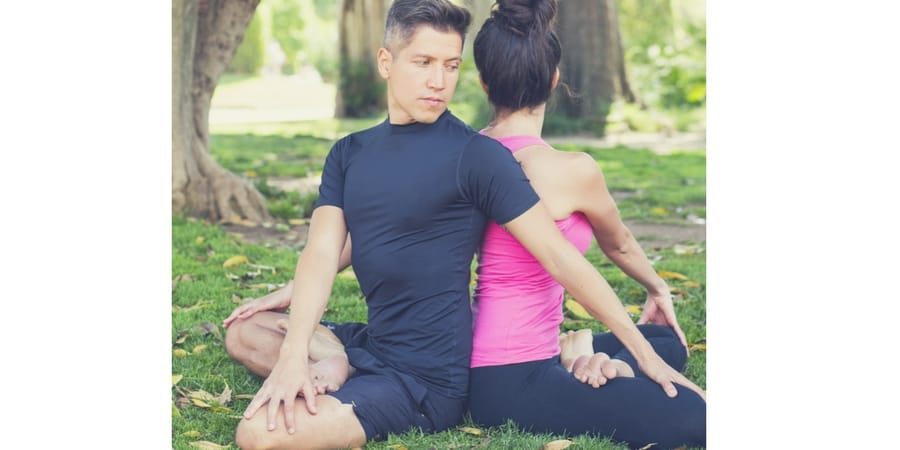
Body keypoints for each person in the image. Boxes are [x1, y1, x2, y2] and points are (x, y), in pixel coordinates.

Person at [223, 1, 704, 449]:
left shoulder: (478, 156)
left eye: (451, 66)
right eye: (423, 62)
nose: (438, 81)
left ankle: (336, 364)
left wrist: (644, 354)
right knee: (245, 330)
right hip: (378, 342)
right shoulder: (348, 153)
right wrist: (293, 347)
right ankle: (337, 359)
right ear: (386, 61)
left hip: (424, 379)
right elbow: (326, 249)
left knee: (256, 434)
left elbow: (560, 258)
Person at [465, 1, 706, 448]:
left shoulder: (468, 155)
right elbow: (620, 243)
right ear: (554, 80)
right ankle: (580, 360)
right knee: (697, 415)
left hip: (484, 357)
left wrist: (656, 297)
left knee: (666, 341)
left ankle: (581, 357)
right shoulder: (574, 170)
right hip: (513, 377)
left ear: (484, 83)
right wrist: (657, 288)